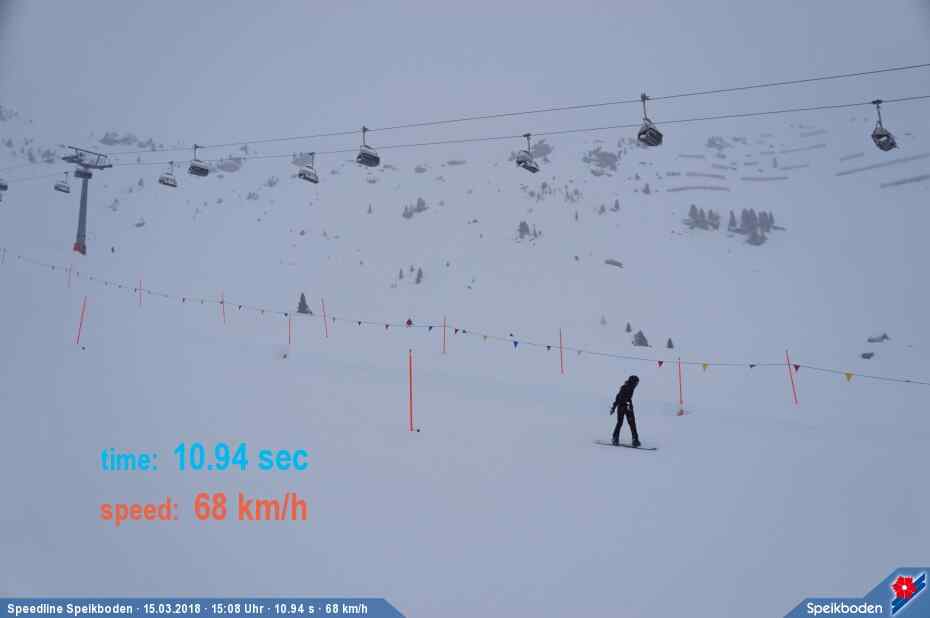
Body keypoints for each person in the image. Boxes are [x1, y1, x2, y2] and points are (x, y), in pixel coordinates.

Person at [610, 375, 641, 447]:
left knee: (632, 424)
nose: (637, 384)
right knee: (621, 423)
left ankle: (635, 440)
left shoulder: (631, 387)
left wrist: (629, 405)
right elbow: (618, 397)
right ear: (633, 382)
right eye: (636, 382)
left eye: (637, 383)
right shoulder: (625, 387)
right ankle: (615, 438)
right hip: (622, 407)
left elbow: (627, 398)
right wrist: (614, 407)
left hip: (627, 407)